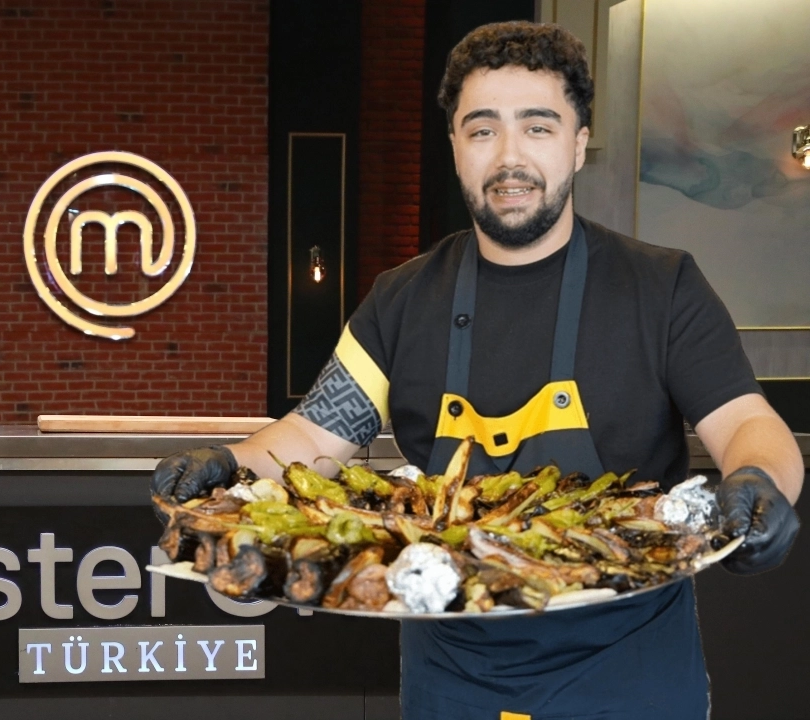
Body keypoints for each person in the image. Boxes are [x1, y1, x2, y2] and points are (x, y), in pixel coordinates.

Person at [150, 21, 801, 719]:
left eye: (538, 127)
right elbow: (314, 435)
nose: (510, 157)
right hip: (455, 678)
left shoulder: (662, 288)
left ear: (579, 144)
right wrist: (229, 464)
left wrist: (761, 482)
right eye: (483, 130)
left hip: (628, 676)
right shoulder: (401, 300)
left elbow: (746, 421)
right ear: (456, 147)